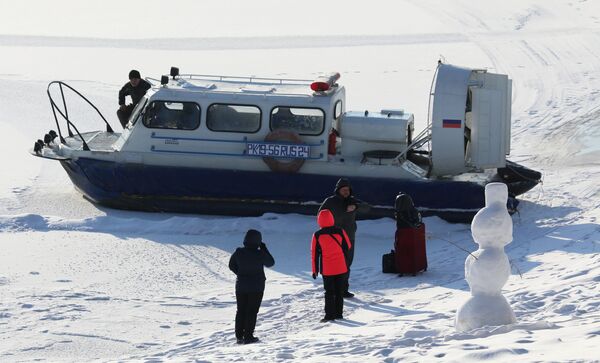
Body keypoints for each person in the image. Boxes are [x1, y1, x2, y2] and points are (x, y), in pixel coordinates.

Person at [318, 178, 369, 298]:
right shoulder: (330, 201)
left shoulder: (352, 201)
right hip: (333, 238)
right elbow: (320, 215)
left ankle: (343, 290)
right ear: (338, 190)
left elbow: (367, 208)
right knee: (333, 264)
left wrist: (355, 207)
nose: (346, 192)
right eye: (343, 189)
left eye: (347, 190)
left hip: (349, 238)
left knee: (346, 264)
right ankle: (332, 290)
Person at [228, 229, 275, 344]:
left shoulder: (239, 252)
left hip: (241, 286)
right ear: (258, 241)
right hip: (256, 287)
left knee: (241, 310)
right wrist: (264, 248)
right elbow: (271, 263)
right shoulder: (260, 254)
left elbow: (231, 265)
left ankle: (239, 336)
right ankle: (248, 336)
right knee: (252, 311)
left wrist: (240, 273)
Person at [311, 209, 352, 322]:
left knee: (329, 292)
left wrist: (315, 270)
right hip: (341, 267)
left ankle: (329, 315)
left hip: (327, 269)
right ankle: (339, 314)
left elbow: (314, 253)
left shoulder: (317, 235)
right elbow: (347, 246)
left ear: (319, 220)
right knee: (339, 291)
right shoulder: (340, 231)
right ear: (332, 218)